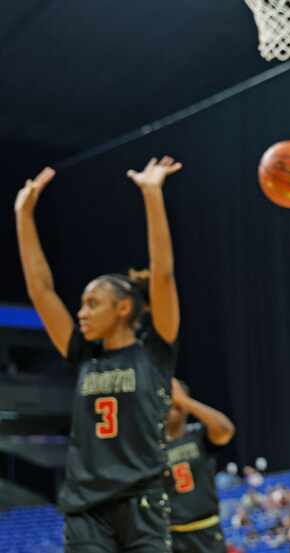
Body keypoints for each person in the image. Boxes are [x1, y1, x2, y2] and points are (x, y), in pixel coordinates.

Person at [15, 157, 181, 552]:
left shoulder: (156, 349)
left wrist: (153, 195)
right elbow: (41, 291)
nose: (81, 312)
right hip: (86, 508)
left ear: (123, 308)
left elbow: (162, 275)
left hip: (142, 500)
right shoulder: (83, 353)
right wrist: (23, 215)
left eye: (93, 303)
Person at [165, 378, 235, 553]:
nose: (172, 402)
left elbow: (226, 430)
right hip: (166, 534)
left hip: (205, 531)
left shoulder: (198, 436)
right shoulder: (149, 445)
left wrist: (184, 400)